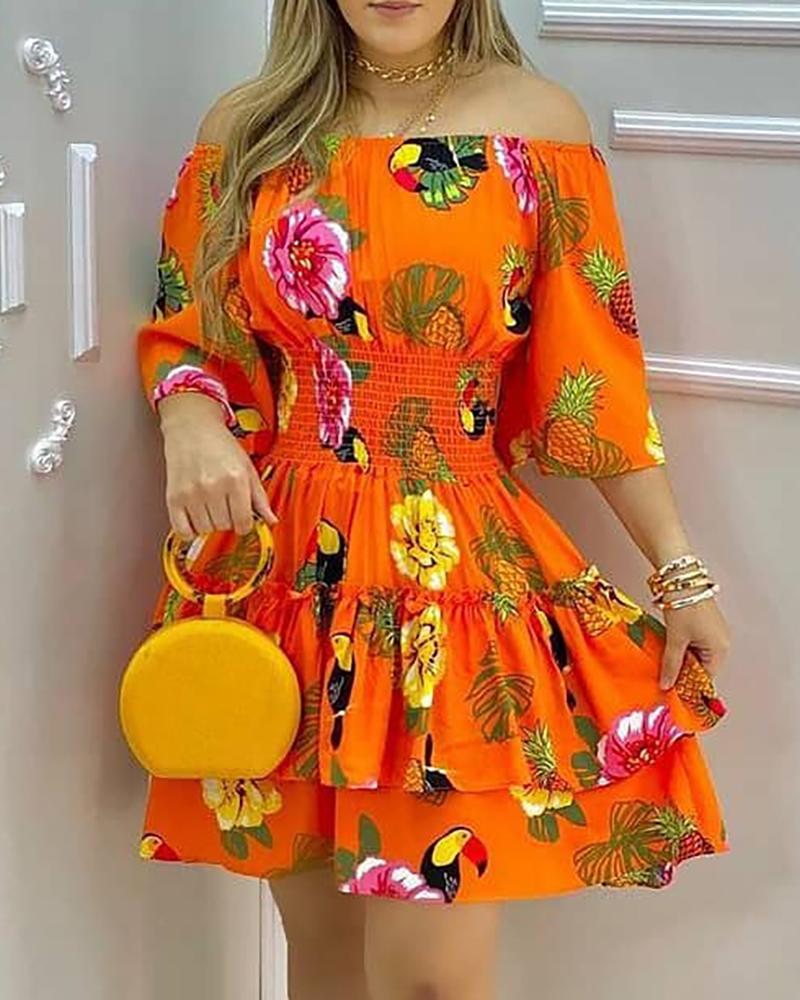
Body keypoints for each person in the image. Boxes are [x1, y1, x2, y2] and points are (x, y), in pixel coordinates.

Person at [135, 1, 731, 997]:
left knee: (431, 980)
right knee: (324, 961)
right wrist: (187, 419)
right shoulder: (247, 126)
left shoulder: (537, 125)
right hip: (288, 572)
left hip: (449, 581)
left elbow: (592, 385)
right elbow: (190, 324)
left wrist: (678, 570)